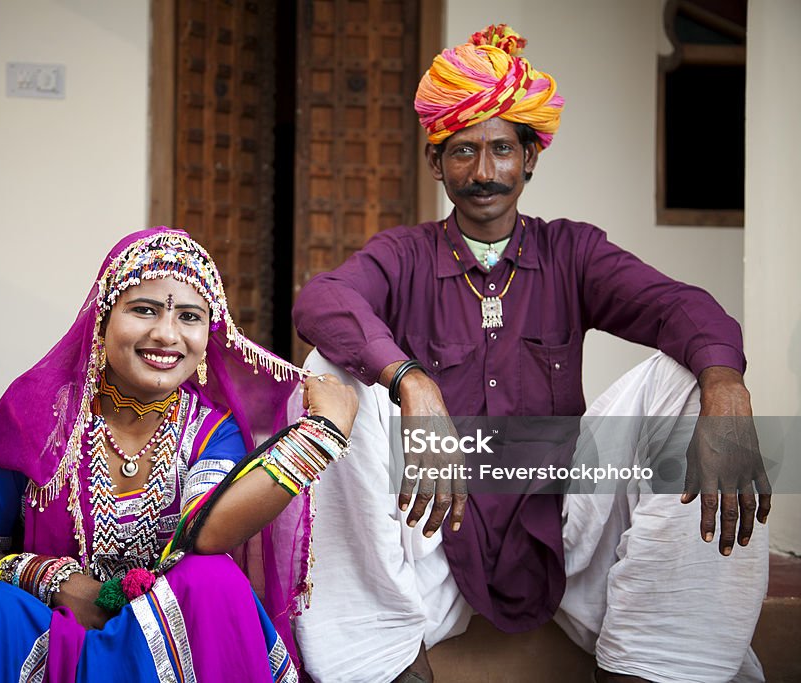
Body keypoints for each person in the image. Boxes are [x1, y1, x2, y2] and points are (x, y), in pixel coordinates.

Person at [291, 24, 771, 683]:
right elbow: (322, 298)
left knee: (689, 378)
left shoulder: (572, 252)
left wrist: (728, 387)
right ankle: (374, 661)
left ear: (529, 157)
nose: (483, 172)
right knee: (330, 369)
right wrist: (410, 379)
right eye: (462, 152)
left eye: (499, 150)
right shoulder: (404, 254)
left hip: (560, 527)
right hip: (434, 534)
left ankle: (663, 661)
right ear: (436, 162)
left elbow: (679, 306)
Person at [0, 228, 358, 682]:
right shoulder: (39, 420)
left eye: (189, 317)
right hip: (44, 636)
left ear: (209, 336)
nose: (166, 334)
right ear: (102, 320)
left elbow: (208, 533)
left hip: (163, 648)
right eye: (144, 310)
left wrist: (322, 433)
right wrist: (53, 579)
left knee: (212, 580)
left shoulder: (210, 432)